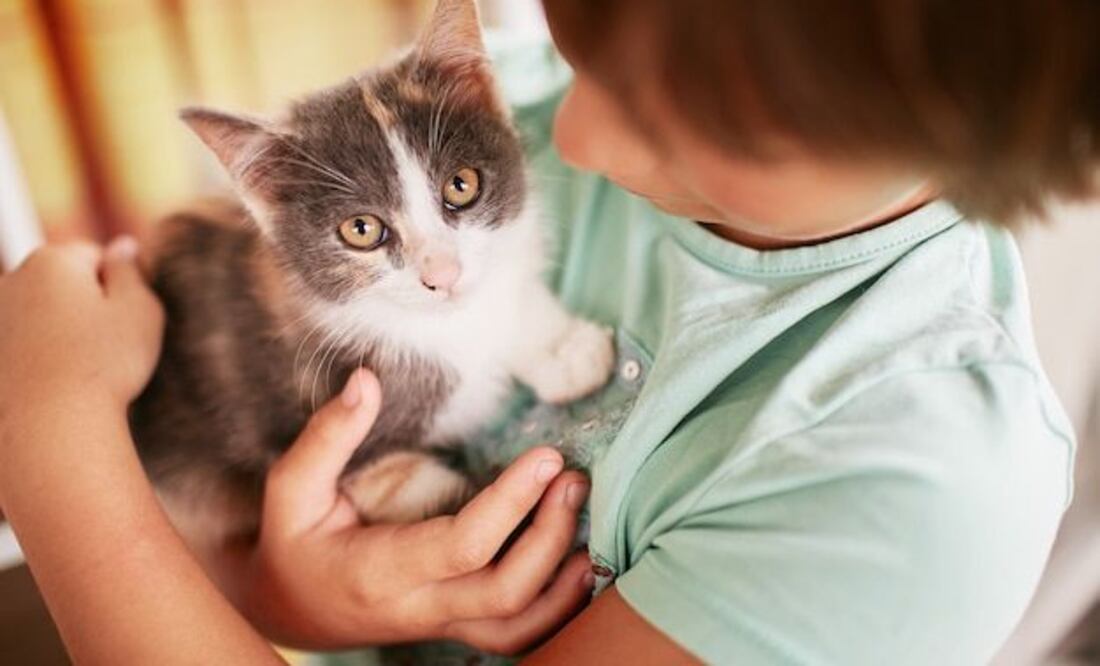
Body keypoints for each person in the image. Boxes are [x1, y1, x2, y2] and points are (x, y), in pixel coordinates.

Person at [1, 0, 1097, 663]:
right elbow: (244, 550)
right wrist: (310, 597)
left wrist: (47, 441)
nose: (571, 134)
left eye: (670, 113)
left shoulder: (916, 482)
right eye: (582, 42)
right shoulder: (515, 101)